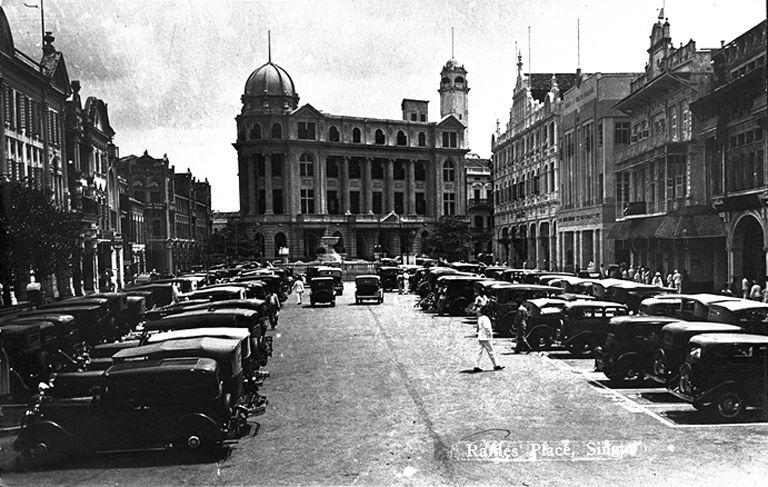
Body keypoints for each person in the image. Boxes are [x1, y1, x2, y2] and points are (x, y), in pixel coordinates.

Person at [473, 304, 503, 372]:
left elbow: (477, 327)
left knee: (479, 352)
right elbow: (487, 328)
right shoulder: (486, 318)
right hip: (485, 337)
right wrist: (490, 335)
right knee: (491, 351)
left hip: (480, 336)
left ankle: (476, 366)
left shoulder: (480, 318)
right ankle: (496, 365)